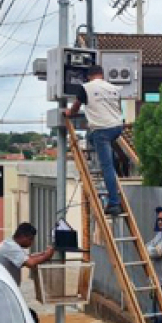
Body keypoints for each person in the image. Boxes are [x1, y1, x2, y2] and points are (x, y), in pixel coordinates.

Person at [66, 65, 125, 216]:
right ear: (102, 75)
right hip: (117, 127)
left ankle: (114, 203)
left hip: (102, 131)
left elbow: (75, 107)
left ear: (88, 76)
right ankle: (114, 158)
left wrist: (68, 113)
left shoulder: (85, 88)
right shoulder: (114, 88)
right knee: (90, 138)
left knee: (107, 167)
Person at [0, 222, 56, 323]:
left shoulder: (11, 244)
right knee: (28, 319)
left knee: (26, 317)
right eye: (30, 239)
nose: (32, 243)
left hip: (5, 291)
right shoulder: (10, 247)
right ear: (22, 236)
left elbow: (28, 257)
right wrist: (46, 256)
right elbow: (30, 262)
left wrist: (43, 254)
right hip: (1, 292)